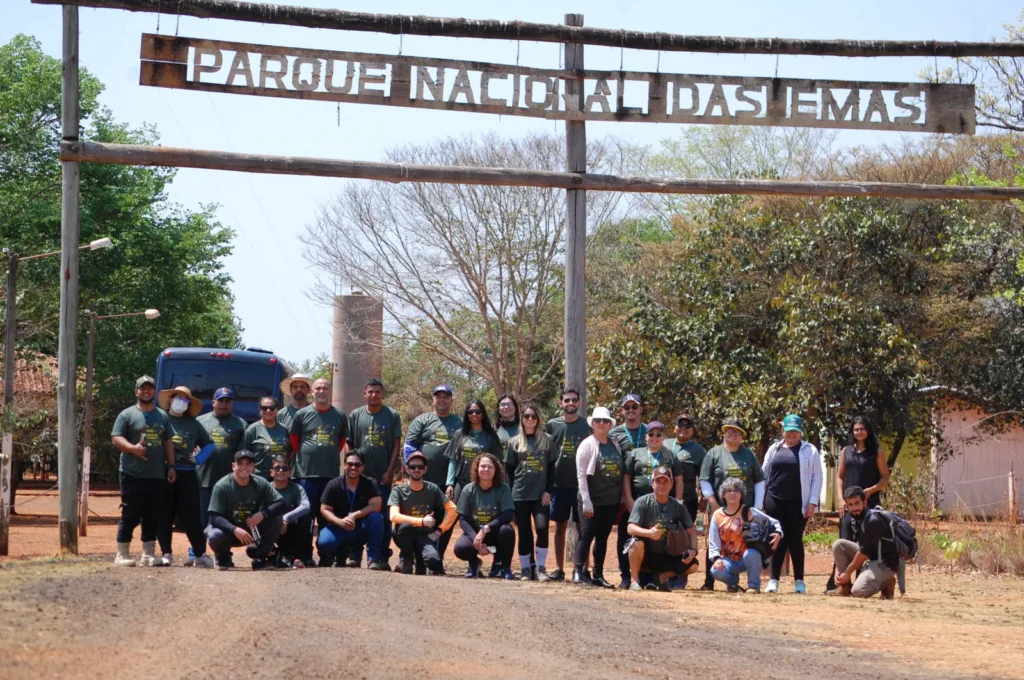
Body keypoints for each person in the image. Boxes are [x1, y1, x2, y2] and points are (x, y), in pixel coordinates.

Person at [110, 375, 176, 567]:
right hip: (132, 473)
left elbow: (169, 442)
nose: (146, 392)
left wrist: (171, 466)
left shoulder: (163, 416)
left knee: (152, 514)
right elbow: (116, 438)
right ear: (136, 392)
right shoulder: (126, 415)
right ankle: (122, 553)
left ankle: (148, 554)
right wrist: (133, 449)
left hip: (156, 474)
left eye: (149, 389)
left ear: (154, 391)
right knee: (131, 513)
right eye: (142, 389)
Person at [699, 417, 766, 590]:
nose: (732, 433)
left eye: (736, 431)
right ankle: (710, 581)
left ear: (742, 436)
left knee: (746, 542)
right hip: (720, 509)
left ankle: (752, 583)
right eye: (729, 430)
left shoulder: (749, 454)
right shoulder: (713, 453)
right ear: (724, 433)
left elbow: (759, 480)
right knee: (716, 542)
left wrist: (757, 507)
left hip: (745, 510)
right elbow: (705, 480)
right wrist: (713, 503)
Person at [289, 377, 349, 566]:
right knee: (305, 518)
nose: (321, 391)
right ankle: (304, 555)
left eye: (325, 388)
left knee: (327, 516)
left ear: (329, 391)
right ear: (312, 392)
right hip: (305, 475)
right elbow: (294, 441)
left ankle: (326, 554)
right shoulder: (302, 415)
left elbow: (340, 442)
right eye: (318, 388)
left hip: (330, 476)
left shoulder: (339, 415)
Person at [828, 416, 890, 592]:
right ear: (852, 432)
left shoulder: (876, 452)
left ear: (868, 430)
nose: (859, 432)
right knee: (844, 542)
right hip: (848, 506)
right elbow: (840, 477)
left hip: (869, 507)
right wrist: (841, 499)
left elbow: (885, 479)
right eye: (856, 429)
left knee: (866, 544)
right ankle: (842, 585)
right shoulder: (846, 451)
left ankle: (863, 581)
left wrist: (870, 490)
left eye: (862, 429)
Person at [762, 414, 822, 594]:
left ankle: (799, 581)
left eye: (795, 431)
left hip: (799, 502)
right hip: (774, 499)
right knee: (777, 539)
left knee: (795, 540)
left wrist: (812, 502)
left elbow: (817, 477)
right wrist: (760, 500)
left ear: (801, 432)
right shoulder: (774, 449)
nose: (791, 435)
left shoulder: (809, 450)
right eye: (788, 431)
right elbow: (764, 473)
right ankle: (773, 580)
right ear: (783, 431)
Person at [621, 421, 683, 588]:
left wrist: (678, 502)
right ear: (646, 436)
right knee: (632, 538)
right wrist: (628, 500)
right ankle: (628, 577)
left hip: (663, 503)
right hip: (639, 502)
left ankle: (653, 577)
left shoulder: (669, 455)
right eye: (651, 434)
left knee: (660, 539)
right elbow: (626, 477)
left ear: (663, 436)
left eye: (659, 434)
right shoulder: (635, 453)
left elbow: (678, 478)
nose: (654, 437)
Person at [157, 385, 214, 567]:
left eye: (185, 400)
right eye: (178, 398)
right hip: (164, 472)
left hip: (188, 473)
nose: (181, 402)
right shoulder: (162, 419)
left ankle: (200, 554)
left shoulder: (193, 423)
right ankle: (166, 553)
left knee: (192, 516)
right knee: (165, 514)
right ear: (171, 399)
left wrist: (198, 459)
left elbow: (209, 445)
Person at [348, 378, 402, 564]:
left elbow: (396, 445)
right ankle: (354, 553)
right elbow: (349, 444)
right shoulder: (355, 415)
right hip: (359, 477)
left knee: (383, 517)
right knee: (355, 513)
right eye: (370, 392)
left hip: (382, 477)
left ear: (383, 394)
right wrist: (352, 470)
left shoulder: (392, 415)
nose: (374, 395)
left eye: (377, 392)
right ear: (365, 394)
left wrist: (390, 471)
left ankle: (380, 556)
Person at [205, 449, 288, 570]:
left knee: (276, 519)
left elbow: (281, 503)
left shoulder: (260, 482)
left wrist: (263, 514)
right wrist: (234, 529)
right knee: (214, 535)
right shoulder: (222, 486)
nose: (244, 467)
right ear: (233, 466)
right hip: (229, 531)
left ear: (253, 467)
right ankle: (223, 556)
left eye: (248, 463)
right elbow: (213, 516)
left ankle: (260, 558)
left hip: (251, 530)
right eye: (240, 463)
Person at [405, 384, 462, 557]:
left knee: (446, 519)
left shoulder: (459, 423)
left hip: (449, 482)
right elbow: (409, 446)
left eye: (446, 396)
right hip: (424, 480)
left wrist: (452, 481)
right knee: (418, 517)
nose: (442, 399)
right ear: (433, 399)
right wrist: (413, 471)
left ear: (451, 400)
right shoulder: (422, 420)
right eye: (439, 396)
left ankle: (438, 557)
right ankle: (409, 556)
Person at [625, 466, 699, 591]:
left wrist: (693, 550)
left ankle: (660, 578)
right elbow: (630, 528)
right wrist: (649, 533)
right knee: (635, 544)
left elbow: (691, 531)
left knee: (693, 565)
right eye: (658, 481)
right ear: (652, 483)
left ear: (672, 484)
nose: (662, 485)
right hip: (645, 556)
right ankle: (635, 580)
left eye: (666, 481)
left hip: (667, 554)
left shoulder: (678, 506)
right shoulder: (642, 502)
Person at [195, 387, 247, 566]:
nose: (224, 404)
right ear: (213, 402)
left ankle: (224, 554)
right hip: (205, 479)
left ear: (232, 404)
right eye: (220, 400)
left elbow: (244, 454)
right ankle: (199, 553)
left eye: (227, 401)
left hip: (229, 484)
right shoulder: (200, 421)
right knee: (203, 518)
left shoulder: (240, 424)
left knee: (227, 520)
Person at [504, 403, 555, 581]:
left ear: (538, 419)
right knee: (524, 532)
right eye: (526, 416)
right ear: (522, 419)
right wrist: (508, 496)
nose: (530, 419)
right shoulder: (514, 442)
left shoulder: (547, 440)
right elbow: (508, 472)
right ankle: (526, 568)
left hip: (541, 495)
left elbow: (552, 468)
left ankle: (540, 568)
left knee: (542, 528)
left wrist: (549, 490)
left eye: (533, 416)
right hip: (519, 494)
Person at [573, 406, 623, 588]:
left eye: (605, 421)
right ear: (592, 424)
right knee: (586, 535)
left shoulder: (615, 444)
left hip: (610, 501)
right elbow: (581, 476)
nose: (602, 423)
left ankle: (598, 574)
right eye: (598, 421)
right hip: (591, 500)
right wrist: (586, 501)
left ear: (610, 424)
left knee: (602, 537)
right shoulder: (586, 445)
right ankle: (578, 571)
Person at [545, 388, 591, 581]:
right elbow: (547, 453)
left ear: (579, 403)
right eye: (567, 400)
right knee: (560, 527)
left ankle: (582, 570)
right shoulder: (552, 425)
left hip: (581, 484)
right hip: (559, 483)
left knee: (583, 528)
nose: (570, 404)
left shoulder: (587, 425)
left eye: (574, 400)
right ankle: (559, 568)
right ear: (560, 403)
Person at [709, 477, 783, 593]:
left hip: (748, 557)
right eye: (729, 491)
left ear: (741, 494)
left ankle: (754, 586)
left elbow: (774, 522)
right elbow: (713, 542)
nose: (733, 493)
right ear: (723, 495)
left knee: (752, 553)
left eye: (736, 490)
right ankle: (733, 584)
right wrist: (717, 558)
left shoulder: (748, 511)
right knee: (715, 571)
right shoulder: (717, 515)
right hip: (728, 559)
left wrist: (778, 533)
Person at [389, 451, 458, 575]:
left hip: (425, 535)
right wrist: (421, 521)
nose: (416, 469)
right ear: (406, 469)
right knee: (406, 526)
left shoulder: (433, 489)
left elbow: (453, 509)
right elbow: (393, 516)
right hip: (404, 534)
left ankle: (421, 560)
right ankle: (407, 557)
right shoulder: (398, 490)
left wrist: (440, 530)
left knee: (434, 562)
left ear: (425, 469)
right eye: (412, 467)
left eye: (420, 467)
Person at [317, 452, 388, 570]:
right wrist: (339, 522)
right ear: (344, 465)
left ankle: (373, 558)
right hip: (340, 526)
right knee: (324, 542)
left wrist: (355, 515)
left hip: (362, 527)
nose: (353, 468)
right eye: (350, 464)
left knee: (377, 518)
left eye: (357, 464)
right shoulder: (333, 484)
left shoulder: (370, 483)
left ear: (362, 467)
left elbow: (376, 505)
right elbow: (324, 509)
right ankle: (341, 554)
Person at [829, 486, 898, 599]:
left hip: (884, 563)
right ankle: (844, 586)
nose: (854, 508)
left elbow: (863, 553)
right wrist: (839, 572)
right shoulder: (854, 518)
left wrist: (846, 572)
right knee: (839, 545)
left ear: (865, 502)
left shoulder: (873, 520)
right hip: (870, 558)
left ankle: (887, 581)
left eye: (857, 503)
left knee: (857, 592)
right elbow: (854, 548)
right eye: (850, 505)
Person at [454, 452, 516, 579]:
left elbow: (508, 514)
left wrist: (485, 529)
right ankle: (474, 563)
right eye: (482, 466)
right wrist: (477, 540)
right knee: (460, 548)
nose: (486, 469)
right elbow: (463, 519)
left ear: (496, 470)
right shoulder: (468, 489)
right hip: (475, 534)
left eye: (490, 467)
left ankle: (502, 567)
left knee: (507, 530)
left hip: (494, 534)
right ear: (477, 469)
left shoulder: (503, 488)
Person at [609, 393, 647, 588]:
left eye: (635, 406)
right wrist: (625, 497)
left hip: (647, 491)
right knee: (624, 533)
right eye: (627, 407)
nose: (631, 410)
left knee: (645, 533)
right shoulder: (614, 433)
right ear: (622, 411)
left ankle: (645, 575)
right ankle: (625, 574)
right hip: (623, 492)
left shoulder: (650, 432)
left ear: (641, 409)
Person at [267, 455, 312, 569]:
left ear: (290, 472)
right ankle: (273, 554)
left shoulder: (296, 488)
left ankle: (299, 557)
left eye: (285, 468)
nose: (281, 471)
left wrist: (286, 518)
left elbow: (306, 506)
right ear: (271, 472)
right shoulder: (265, 488)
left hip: (290, 527)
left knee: (306, 520)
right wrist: (278, 520)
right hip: (272, 527)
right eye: (277, 468)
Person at [243, 396, 293, 479]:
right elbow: (244, 455)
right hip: (259, 477)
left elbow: (291, 453)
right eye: (264, 408)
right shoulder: (252, 429)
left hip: (280, 477)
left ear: (277, 409)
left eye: (272, 408)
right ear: (260, 409)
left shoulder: (284, 429)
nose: (268, 410)